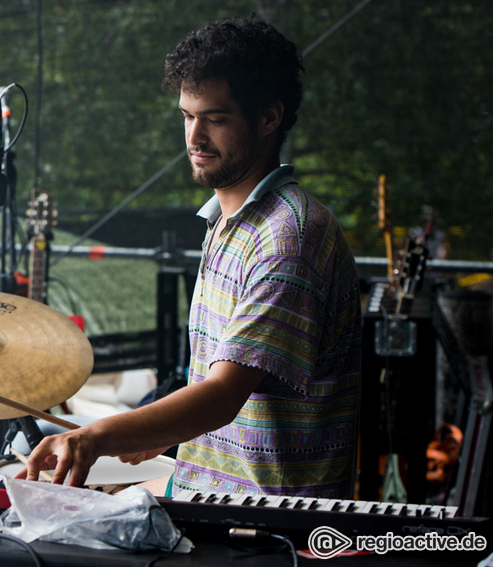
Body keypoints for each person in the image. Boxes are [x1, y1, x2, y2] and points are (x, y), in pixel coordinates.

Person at [20, 15, 361, 498]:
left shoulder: (289, 238)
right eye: (187, 116)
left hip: (271, 522)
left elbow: (221, 396)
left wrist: (96, 436)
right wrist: (155, 432)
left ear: (269, 117)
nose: (194, 138)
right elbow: (217, 402)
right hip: (210, 492)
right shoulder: (226, 221)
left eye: (215, 119)